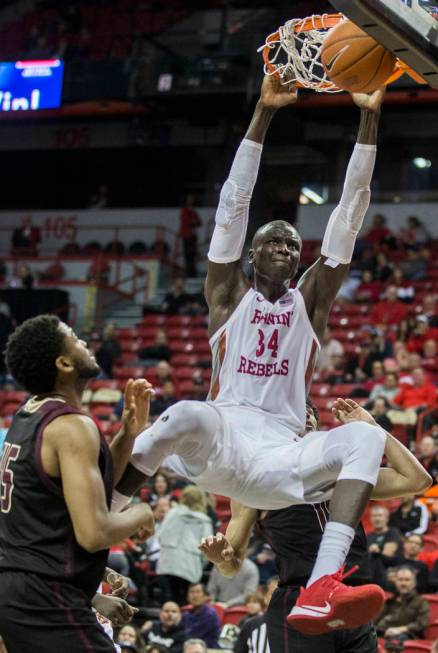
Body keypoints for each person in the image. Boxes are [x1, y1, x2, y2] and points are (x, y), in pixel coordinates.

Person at [113, 78, 396, 635]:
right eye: (273, 240)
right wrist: (263, 111)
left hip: (279, 460)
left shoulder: (311, 301)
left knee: (367, 436)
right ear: (250, 255)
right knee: (189, 411)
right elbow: (232, 205)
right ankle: (100, 514)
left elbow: (349, 213)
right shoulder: (226, 297)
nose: (286, 248)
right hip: (225, 441)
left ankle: (321, 586)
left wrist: (369, 118)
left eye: (293, 243)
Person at [200, 398, 430, 653]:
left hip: (351, 597)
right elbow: (231, 565)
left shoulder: (345, 472)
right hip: (299, 600)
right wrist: (220, 559)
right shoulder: (253, 481)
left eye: (310, 413)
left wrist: (374, 430)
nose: (305, 417)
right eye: (297, 413)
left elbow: (417, 480)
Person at [0, 315, 155, 653]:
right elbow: (94, 531)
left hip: (22, 591)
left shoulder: (29, 415)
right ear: (64, 362)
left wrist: (128, 434)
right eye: (73, 336)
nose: (83, 340)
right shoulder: (72, 426)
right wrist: (142, 513)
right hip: (46, 597)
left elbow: (89, 484)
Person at [157, 485, 213, 604]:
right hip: (190, 570)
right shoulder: (205, 521)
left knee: (166, 606)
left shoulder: (172, 513)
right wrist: (201, 566)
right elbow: (207, 550)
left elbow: (160, 536)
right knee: (183, 607)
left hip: (166, 565)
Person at [375, 566, 429, 642]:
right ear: (396, 582)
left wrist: (401, 629)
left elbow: (421, 624)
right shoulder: (390, 601)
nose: (403, 583)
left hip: (405, 637)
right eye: (400, 580)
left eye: (407, 580)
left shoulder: (421, 602)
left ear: (414, 583)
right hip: (382, 633)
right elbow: (376, 620)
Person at [233, 578, 278, 653]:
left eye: (285, 593)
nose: (280, 597)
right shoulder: (250, 625)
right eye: (274, 593)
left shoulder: (299, 628)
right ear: (265, 598)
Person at [182, 583, 220, 648]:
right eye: (192, 592)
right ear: (187, 597)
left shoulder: (210, 614)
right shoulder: (186, 614)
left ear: (205, 597)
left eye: (198, 592)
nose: (195, 595)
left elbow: (190, 636)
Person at [180, 195, 202, 277]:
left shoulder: (193, 211)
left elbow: (200, 222)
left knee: (192, 255)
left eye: (192, 200)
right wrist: (194, 221)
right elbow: (187, 221)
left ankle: (192, 273)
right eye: (189, 200)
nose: (191, 201)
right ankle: (189, 273)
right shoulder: (185, 210)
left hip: (193, 236)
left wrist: (194, 221)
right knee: (188, 255)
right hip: (186, 236)